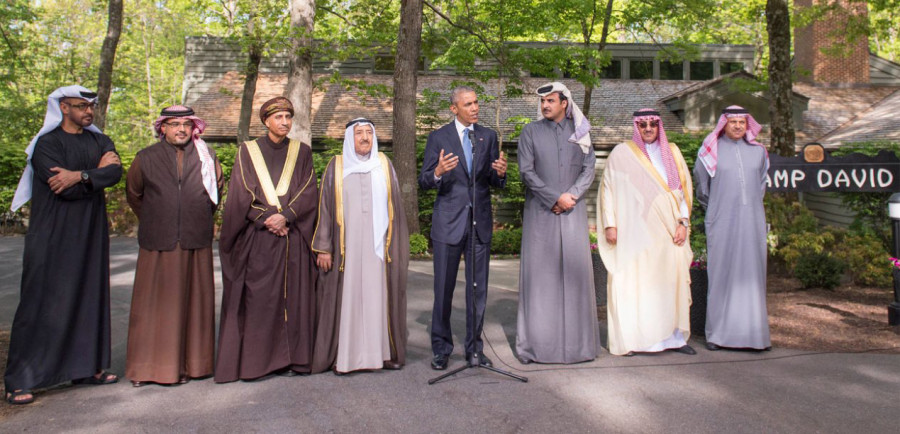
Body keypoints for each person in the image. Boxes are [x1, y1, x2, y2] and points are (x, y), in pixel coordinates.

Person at [4, 85, 122, 405]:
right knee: (40, 302)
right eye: (80, 106)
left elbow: (114, 172)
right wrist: (93, 174)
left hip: (90, 233)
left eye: (90, 106)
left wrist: (82, 176)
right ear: (62, 107)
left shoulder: (100, 140)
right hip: (52, 234)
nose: (88, 111)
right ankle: (21, 379)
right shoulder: (46, 144)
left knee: (89, 296)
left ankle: (86, 368)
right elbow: (61, 185)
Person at [215, 97, 319, 382]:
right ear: (266, 121)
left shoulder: (303, 152)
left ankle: (293, 358)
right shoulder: (247, 151)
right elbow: (241, 191)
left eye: (288, 117)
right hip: (259, 238)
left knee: (294, 298)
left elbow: (309, 190)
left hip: (293, 237)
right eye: (278, 117)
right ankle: (259, 362)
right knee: (261, 299)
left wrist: (286, 215)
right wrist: (267, 219)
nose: (284, 122)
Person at [124, 106, 224, 387]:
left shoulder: (207, 156)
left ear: (194, 128)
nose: (181, 129)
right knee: (154, 308)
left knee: (195, 305)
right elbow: (134, 194)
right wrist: (159, 218)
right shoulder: (145, 157)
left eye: (186, 124)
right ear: (162, 128)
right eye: (174, 124)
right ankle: (148, 369)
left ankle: (195, 366)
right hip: (158, 243)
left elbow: (216, 191)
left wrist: (195, 218)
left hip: (195, 240)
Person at [310, 118, 409, 375]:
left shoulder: (384, 166)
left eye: (368, 133)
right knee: (348, 299)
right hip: (347, 250)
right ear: (349, 139)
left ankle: (379, 355)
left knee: (378, 298)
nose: (364, 138)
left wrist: (396, 248)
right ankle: (346, 357)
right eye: (358, 133)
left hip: (378, 250)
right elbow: (325, 209)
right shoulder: (337, 166)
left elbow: (396, 210)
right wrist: (324, 247)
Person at [418, 86, 507, 370]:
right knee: (443, 290)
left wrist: (501, 174)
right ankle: (442, 349)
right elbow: (424, 181)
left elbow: (493, 180)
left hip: (478, 225)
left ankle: (475, 349)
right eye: (468, 104)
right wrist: (438, 172)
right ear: (454, 108)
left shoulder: (487, 136)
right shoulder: (438, 137)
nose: (475, 108)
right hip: (448, 224)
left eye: (476, 102)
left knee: (477, 290)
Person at [598, 109, 696, 356]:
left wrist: (683, 223)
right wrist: (610, 224)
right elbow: (608, 187)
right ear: (637, 127)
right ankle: (633, 339)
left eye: (653, 124)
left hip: (668, 231)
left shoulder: (672, 152)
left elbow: (683, 192)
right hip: (635, 231)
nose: (649, 129)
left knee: (668, 284)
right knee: (634, 284)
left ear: (659, 126)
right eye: (643, 125)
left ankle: (673, 340)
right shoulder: (622, 153)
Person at [515, 82, 600, 364]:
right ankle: (538, 348)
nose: (545, 106)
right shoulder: (530, 132)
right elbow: (526, 172)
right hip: (541, 213)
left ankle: (579, 348)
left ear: (565, 102)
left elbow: (589, 169)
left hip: (573, 213)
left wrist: (571, 196)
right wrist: (554, 197)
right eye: (542, 102)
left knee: (574, 278)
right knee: (541, 280)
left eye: (550, 101)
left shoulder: (581, 132)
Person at [694, 105, 771, 351]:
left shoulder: (759, 152)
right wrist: (720, 207)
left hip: (752, 221)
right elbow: (702, 189)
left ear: (748, 125)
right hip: (721, 220)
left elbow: (760, 187)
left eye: (742, 122)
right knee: (721, 274)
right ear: (723, 124)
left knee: (752, 275)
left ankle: (755, 337)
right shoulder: (710, 151)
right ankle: (718, 336)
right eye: (733, 121)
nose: (738, 126)